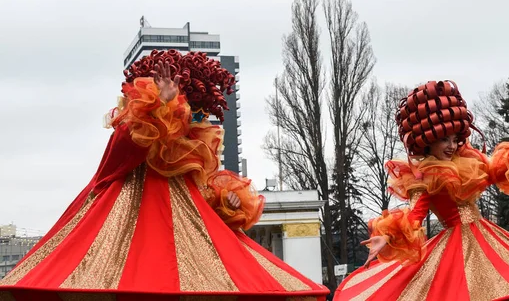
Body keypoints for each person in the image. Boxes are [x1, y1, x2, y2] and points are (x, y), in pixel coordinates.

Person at [0, 49, 329, 301]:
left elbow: (199, 190)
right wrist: (158, 109)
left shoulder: (186, 151)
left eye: (194, 112)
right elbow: (112, 163)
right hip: (129, 223)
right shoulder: (133, 133)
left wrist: (223, 205)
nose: (188, 119)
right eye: (184, 108)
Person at [334, 80, 509, 301]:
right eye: (442, 139)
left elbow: (499, 170)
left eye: (454, 138)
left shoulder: (469, 163)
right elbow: (414, 217)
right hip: (455, 243)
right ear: (427, 141)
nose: (450, 145)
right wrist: (386, 239)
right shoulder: (423, 177)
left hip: (485, 235)